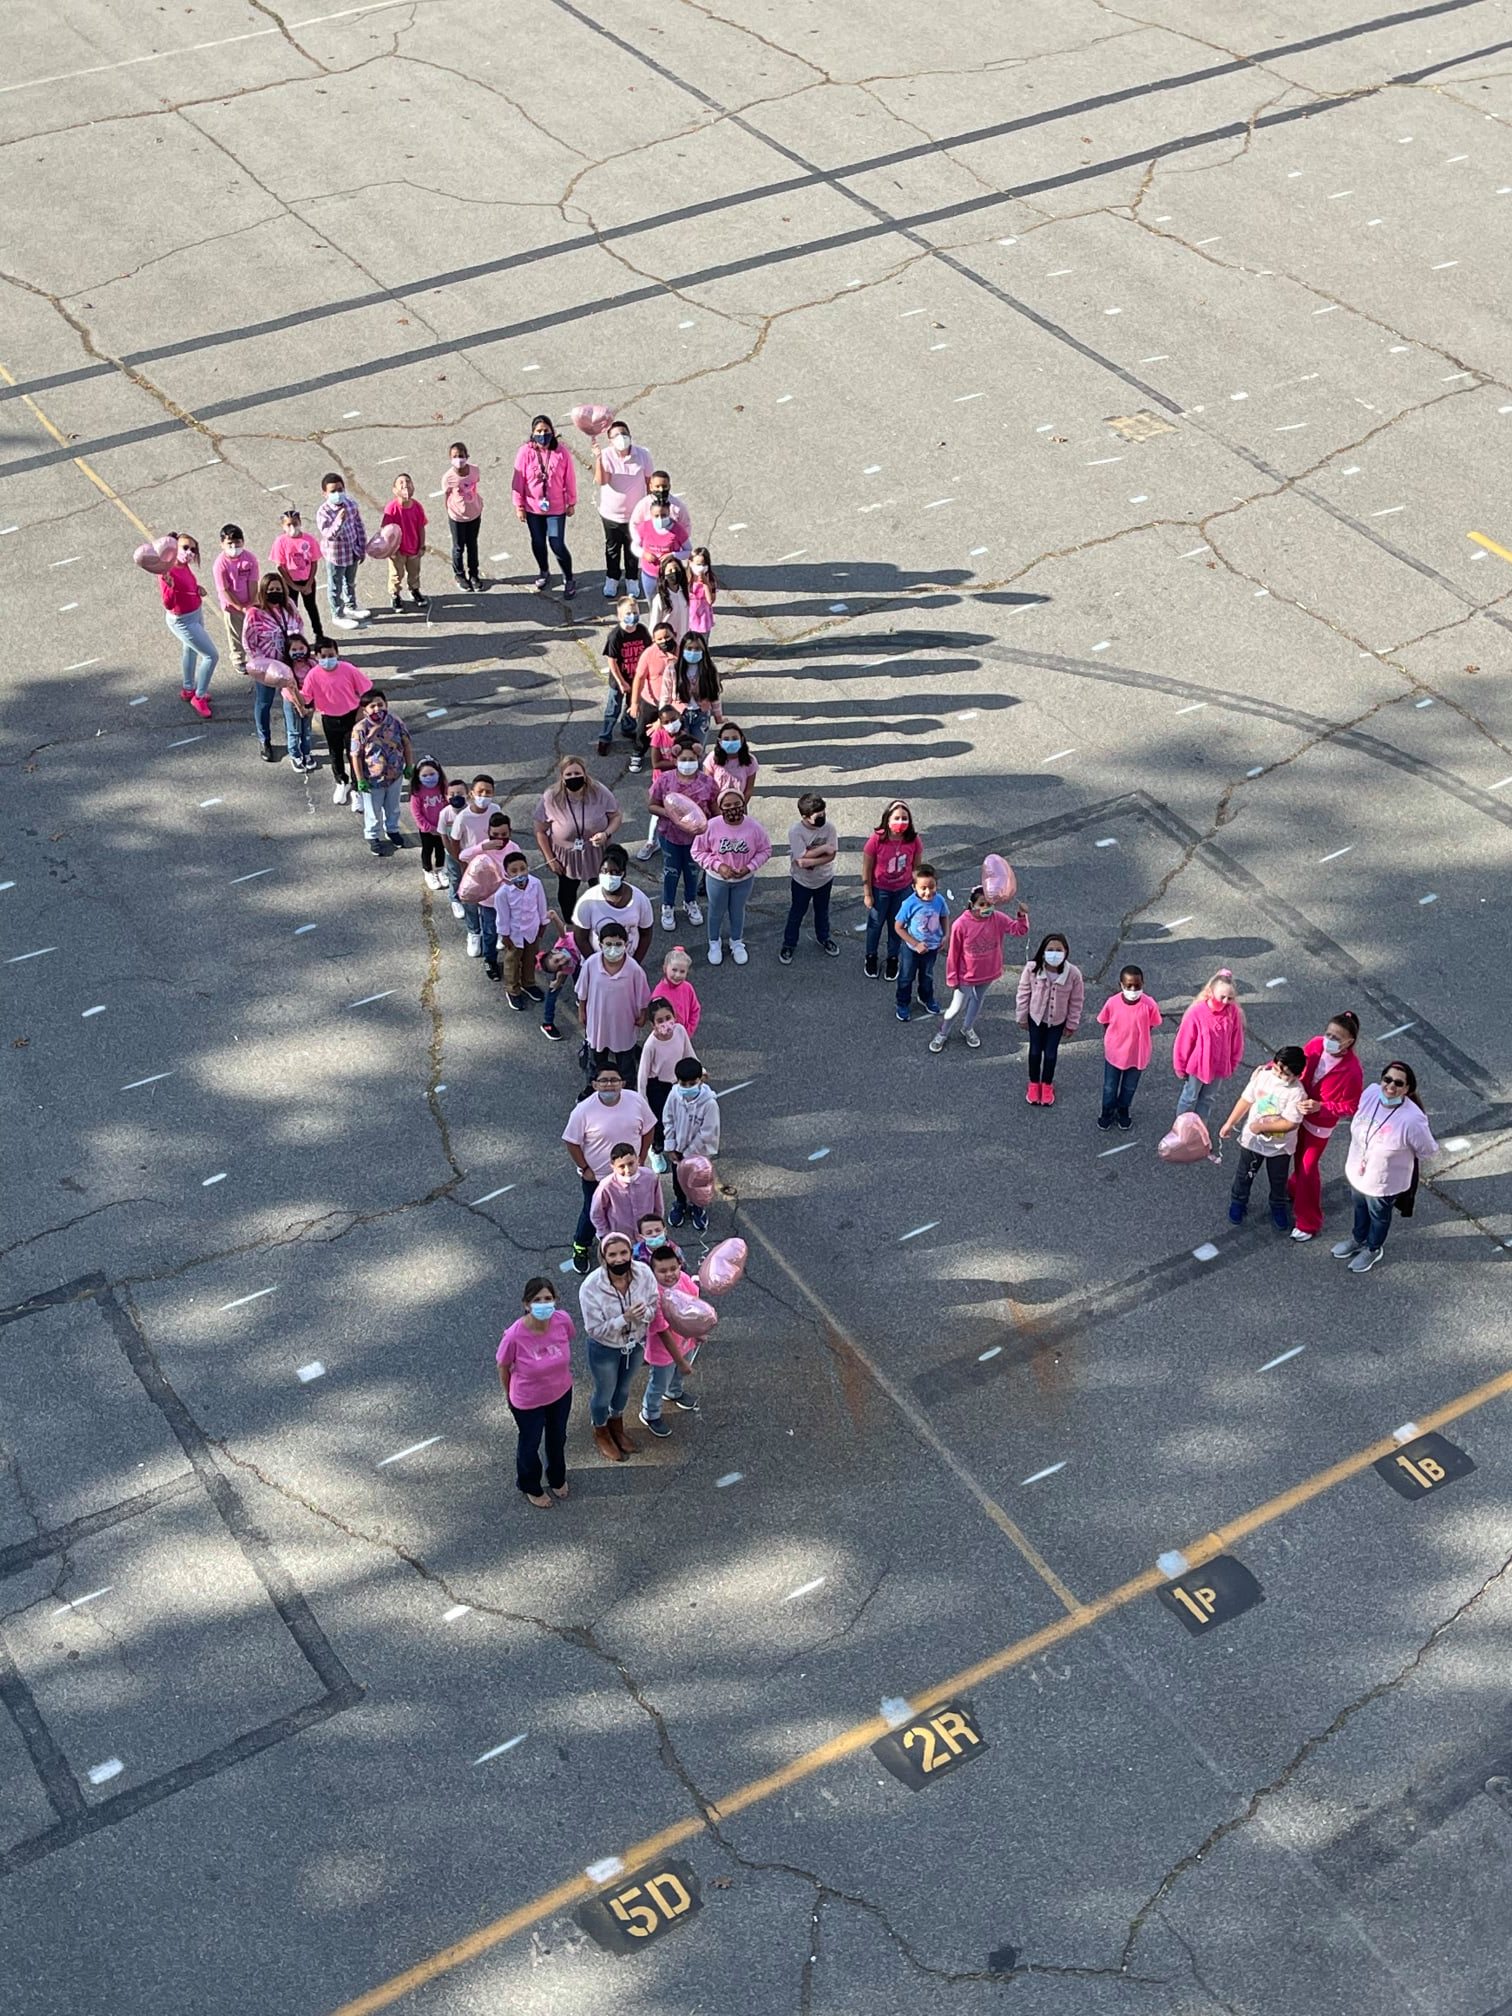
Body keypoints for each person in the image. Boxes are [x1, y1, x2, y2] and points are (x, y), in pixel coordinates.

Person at [1334, 1061, 1438, 1273]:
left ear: (1407, 1089)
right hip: (1357, 1172)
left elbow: (1427, 1150)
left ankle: (1373, 1248)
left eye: (1398, 1083)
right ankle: (1358, 1238)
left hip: (1383, 1182)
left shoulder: (1412, 1119)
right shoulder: (1371, 1093)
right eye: (1387, 1079)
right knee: (1359, 1207)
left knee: (1379, 1216)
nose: (1391, 1086)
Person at [563, 1064, 655, 1273]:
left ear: (622, 1083)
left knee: (630, 1211)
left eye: (614, 1080)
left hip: (630, 1173)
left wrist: (640, 1159)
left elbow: (648, 1129)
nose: (609, 1085)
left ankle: (632, 1247)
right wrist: (585, 1168)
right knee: (592, 1212)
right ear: (594, 1084)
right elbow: (571, 1142)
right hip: (598, 1177)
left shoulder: (636, 1101)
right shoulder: (583, 1111)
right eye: (603, 1081)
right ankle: (581, 1245)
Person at [579, 1234, 659, 1461]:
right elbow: (594, 1329)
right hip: (605, 1349)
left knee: (623, 1389)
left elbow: (654, 1303)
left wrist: (645, 1315)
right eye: (612, 1254)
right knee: (604, 1392)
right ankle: (601, 1431)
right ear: (603, 1257)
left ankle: (617, 1426)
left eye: (623, 1253)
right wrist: (624, 1318)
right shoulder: (591, 1287)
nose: (618, 1259)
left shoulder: (643, 1273)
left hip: (635, 1345)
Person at [496, 1279, 574, 1508]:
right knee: (530, 1444)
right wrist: (509, 1395)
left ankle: (557, 1476)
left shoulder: (563, 1321)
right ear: (526, 1304)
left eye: (547, 1299)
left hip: (560, 1392)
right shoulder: (514, 1335)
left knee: (557, 1438)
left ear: (555, 1300)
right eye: (537, 1300)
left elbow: (567, 1341)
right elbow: (503, 1365)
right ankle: (530, 1484)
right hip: (528, 1401)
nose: (543, 1304)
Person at [1288, 1012, 1364, 1243]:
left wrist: (1321, 1107)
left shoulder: (1352, 1071)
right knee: (1296, 1159)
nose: (1328, 1039)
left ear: (1349, 1042)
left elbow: (1351, 1106)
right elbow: (1296, 1064)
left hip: (1317, 1127)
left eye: (1335, 1037)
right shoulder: (1314, 1044)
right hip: (1295, 1113)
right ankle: (1295, 1187)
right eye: (1328, 1033)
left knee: (1308, 1168)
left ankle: (1309, 1221)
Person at [929, 887, 1030, 1053]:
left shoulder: (997, 918)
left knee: (978, 1000)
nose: (986, 908)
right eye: (982, 904)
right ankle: (943, 1033)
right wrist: (952, 977)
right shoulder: (961, 924)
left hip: (988, 972)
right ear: (972, 904)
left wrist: (1021, 916)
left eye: (989, 904)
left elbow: (1018, 930)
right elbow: (953, 953)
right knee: (956, 1006)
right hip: (966, 976)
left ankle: (967, 1028)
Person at [1220, 1045, 1309, 1230]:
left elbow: (1290, 1123)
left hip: (1280, 1148)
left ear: (1297, 1075)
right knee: (1245, 1174)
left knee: (1278, 1179)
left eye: (1285, 1074)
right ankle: (1238, 1201)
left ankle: (1278, 1206)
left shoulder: (1296, 1093)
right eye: (1277, 1068)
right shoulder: (1263, 1077)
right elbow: (1246, 1100)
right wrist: (1230, 1123)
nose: (1278, 1075)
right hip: (1253, 1142)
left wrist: (1262, 1127)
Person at [535, 756, 622, 919]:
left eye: (577, 773)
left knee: (602, 891)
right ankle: (570, 922)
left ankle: (602, 919)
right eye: (568, 774)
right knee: (567, 892)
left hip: (597, 852)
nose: (573, 777)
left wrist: (606, 833)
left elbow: (616, 816)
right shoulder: (550, 797)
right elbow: (540, 831)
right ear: (562, 777)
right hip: (566, 858)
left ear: (584, 774)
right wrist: (551, 860)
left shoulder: (599, 792)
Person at [692, 790, 771, 966]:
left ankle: (736, 942)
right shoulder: (711, 826)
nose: (733, 809)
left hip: (744, 880)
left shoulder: (754, 827)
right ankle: (714, 942)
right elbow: (697, 851)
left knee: (737, 911)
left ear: (743, 804)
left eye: (737, 804)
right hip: (717, 879)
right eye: (727, 806)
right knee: (716, 911)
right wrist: (718, 866)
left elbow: (765, 850)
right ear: (720, 808)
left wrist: (750, 867)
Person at [648, 736, 717, 930]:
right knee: (671, 871)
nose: (688, 763)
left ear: (698, 757)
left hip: (696, 839)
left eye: (691, 759)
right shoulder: (664, 780)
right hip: (670, 836)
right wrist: (670, 815)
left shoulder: (707, 783)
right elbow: (652, 806)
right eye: (683, 759)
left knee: (692, 872)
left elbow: (714, 809)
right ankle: (668, 906)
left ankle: (690, 901)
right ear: (676, 759)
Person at [242, 570, 308, 761]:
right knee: (264, 703)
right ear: (264, 591)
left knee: (293, 701)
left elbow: (299, 627)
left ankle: (295, 739)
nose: (275, 592)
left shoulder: (289, 605)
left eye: (278, 588)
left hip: (290, 663)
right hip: (268, 668)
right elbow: (249, 641)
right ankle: (264, 739)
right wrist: (262, 664)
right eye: (271, 589)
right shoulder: (254, 614)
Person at [300, 637, 373, 804]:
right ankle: (341, 781)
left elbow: (366, 691)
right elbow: (306, 697)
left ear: (337, 653)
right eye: (323, 656)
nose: (327, 659)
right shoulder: (313, 675)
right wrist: (290, 690)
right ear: (317, 656)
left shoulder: (348, 669)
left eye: (331, 655)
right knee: (335, 753)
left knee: (354, 752)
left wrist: (362, 711)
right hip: (329, 719)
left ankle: (356, 788)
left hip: (351, 717)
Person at [639, 1246, 702, 1437]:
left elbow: (694, 1303)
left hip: (686, 1341)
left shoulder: (683, 1279)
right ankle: (650, 1413)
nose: (670, 1274)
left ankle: (674, 1392)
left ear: (679, 1265)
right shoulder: (654, 1296)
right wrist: (681, 1362)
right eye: (663, 1271)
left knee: (678, 1374)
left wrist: (698, 1330)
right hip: (664, 1352)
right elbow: (663, 1332)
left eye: (673, 1268)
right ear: (653, 1272)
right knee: (658, 1382)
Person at [1171, 969, 1247, 1129]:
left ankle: (1200, 1127)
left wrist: (1233, 1062)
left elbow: (1236, 1040)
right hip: (1198, 1066)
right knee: (1190, 1096)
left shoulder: (1233, 1013)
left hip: (1218, 1065)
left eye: (1230, 998)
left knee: (1208, 1098)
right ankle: (1180, 1127)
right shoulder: (1196, 1013)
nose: (1226, 1001)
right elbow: (1184, 1042)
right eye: (1222, 997)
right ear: (1211, 992)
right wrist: (1180, 1066)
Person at [1015, 932, 1085, 1105]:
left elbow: (1076, 1001)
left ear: (1066, 952)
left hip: (1057, 1022)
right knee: (1034, 1052)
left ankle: (1047, 1084)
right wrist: (1022, 1017)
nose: (1054, 954)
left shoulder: (1073, 974)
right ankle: (1033, 1083)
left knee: (1051, 1055)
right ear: (1043, 951)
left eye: (1058, 950)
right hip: (1036, 1019)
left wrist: (1072, 1023)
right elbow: (1023, 994)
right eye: (1050, 949)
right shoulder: (1032, 969)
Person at [576, 921, 651, 1080]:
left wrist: (643, 1014)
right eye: (608, 944)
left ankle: (628, 1089)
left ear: (626, 944)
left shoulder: (634, 969)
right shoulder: (591, 964)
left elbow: (643, 996)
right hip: (598, 1024)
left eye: (618, 944)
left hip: (623, 1025)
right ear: (600, 943)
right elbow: (583, 991)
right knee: (597, 1060)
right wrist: (582, 1010)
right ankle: (595, 1087)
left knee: (625, 1063)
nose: (613, 948)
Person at [511, 415, 577, 594]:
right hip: (533, 508)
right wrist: (519, 506)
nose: (542, 434)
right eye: (538, 431)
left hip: (556, 507)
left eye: (546, 431)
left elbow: (569, 478)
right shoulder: (525, 452)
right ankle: (544, 571)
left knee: (556, 543)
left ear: (552, 432)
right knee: (538, 542)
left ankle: (569, 577)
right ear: (533, 433)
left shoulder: (561, 452)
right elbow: (518, 481)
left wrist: (571, 501)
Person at [861, 800, 922, 980]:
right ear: (887, 819)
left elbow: (917, 867)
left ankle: (893, 957)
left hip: (902, 890)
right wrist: (867, 893)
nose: (901, 822)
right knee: (875, 924)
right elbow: (866, 868)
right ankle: (870, 956)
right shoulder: (876, 839)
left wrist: (917, 892)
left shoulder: (913, 840)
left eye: (905, 818)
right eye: (897, 818)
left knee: (897, 926)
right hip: (880, 890)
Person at [159, 534, 218, 717]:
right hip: (183, 620)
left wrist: (197, 589)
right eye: (185, 547)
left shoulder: (183, 566)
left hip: (194, 613)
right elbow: (168, 604)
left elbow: (187, 585)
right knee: (211, 656)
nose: (189, 552)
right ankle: (198, 697)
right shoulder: (167, 572)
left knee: (190, 650)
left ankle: (188, 689)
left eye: (193, 549)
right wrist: (169, 586)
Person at [1096, 965, 1163, 1129]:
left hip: (1137, 1055)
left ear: (1143, 984)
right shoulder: (1112, 1003)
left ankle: (1123, 1110)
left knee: (1129, 1086)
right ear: (1121, 985)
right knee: (1110, 1086)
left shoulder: (1149, 1004)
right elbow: (1104, 1021)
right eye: (1129, 986)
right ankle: (1107, 1112)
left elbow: (1152, 1023)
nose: (1133, 989)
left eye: (1137, 986)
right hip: (1114, 1054)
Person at [347, 688, 412, 857]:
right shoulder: (360, 729)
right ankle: (373, 835)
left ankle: (392, 830)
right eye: (372, 706)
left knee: (393, 807)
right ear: (365, 710)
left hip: (394, 775)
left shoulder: (395, 721)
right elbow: (355, 755)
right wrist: (360, 779)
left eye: (380, 705)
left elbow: (406, 743)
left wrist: (409, 765)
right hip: (372, 779)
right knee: (373, 810)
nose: (377, 709)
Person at [594, 420, 653, 598]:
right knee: (612, 548)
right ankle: (612, 578)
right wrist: (598, 459)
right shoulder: (606, 455)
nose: (621, 438)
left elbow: (649, 481)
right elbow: (602, 481)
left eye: (624, 433)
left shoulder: (642, 455)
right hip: (611, 515)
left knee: (632, 548)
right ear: (610, 440)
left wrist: (651, 506)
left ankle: (632, 580)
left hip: (636, 515)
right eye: (616, 435)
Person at [780, 792, 840, 964]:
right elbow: (801, 858)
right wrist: (823, 849)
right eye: (818, 815)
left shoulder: (829, 828)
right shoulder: (796, 831)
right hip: (802, 882)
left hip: (824, 879)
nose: (822, 817)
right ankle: (789, 944)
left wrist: (810, 860)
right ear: (805, 817)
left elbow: (831, 855)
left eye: (823, 813)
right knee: (796, 913)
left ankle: (824, 938)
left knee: (822, 912)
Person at [571, 845, 654, 965]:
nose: (609, 876)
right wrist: (597, 966)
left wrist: (633, 964)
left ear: (623, 873)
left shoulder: (640, 900)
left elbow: (646, 934)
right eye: (604, 871)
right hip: (595, 964)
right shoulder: (588, 901)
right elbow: (580, 938)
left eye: (614, 872)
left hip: (628, 963)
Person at [638, 998, 696, 1165]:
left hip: (677, 1083)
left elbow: (688, 1053)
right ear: (653, 1024)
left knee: (680, 1117)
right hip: (658, 1087)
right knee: (661, 1121)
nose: (666, 1023)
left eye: (668, 1018)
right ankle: (656, 1148)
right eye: (660, 1021)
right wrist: (643, 1100)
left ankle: (679, 1145)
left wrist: (700, 1071)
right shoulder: (651, 1045)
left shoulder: (680, 1031)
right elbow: (642, 1075)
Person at [664, 1055, 719, 1232]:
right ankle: (680, 1203)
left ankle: (698, 1206)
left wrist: (689, 1154)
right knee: (678, 1182)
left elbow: (707, 1132)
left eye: (691, 1083)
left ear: (700, 1080)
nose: (687, 1088)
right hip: (677, 1153)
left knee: (697, 1183)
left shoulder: (709, 1103)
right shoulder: (674, 1095)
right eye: (683, 1084)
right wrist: (670, 1145)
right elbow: (668, 1119)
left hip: (698, 1155)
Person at [494, 850, 552, 1010]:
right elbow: (503, 917)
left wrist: (543, 924)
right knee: (512, 962)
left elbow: (541, 906)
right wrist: (505, 936)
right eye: (514, 871)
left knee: (530, 959)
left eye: (523, 869)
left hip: (532, 931)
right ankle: (512, 990)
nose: (520, 873)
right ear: (506, 873)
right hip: (514, 935)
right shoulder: (503, 893)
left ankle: (529, 983)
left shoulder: (536, 884)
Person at [459, 810, 514, 973]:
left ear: (510, 832)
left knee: (509, 930)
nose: (499, 839)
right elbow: (463, 855)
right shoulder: (483, 848)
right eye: (495, 834)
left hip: (509, 899)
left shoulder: (513, 847)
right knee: (489, 932)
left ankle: (512, 960)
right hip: (488, 901)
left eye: (504, 834)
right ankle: (490, 960)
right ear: (488, 832)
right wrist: (482, 847)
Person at [894, 862, 949, 1022]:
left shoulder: (939, 900)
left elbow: (944, 915)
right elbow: (898, 927)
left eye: (931, 887)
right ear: (914, 887)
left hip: (932, 948)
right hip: (912, 949)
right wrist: (915, 943)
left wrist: (946, 935)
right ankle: (902, 1003)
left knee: (927, 976)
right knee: (906, 977)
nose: (928, 892)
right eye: (923, 888)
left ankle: (925, 997)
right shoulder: (909, 904)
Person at [315, 471, 369, 631]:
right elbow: (328, 534)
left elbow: (358, 526)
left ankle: (350, 606)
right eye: (333, 491)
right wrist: (339, 520)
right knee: (335, 586)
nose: (337, 494)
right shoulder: (323, 512)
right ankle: (337, 614)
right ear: (324, 493)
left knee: (350, 581)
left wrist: (361, 546)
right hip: (336, 556)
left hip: (352, 551)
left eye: (340, 489)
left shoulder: (351, 504)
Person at [599, 597, 651, 754]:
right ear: (619, 615)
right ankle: (605, 737)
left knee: (632, 706)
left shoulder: (641, 630)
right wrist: (621, 682)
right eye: (628, 613)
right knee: (613, 709)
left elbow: (648, 653)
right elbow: (612, 662)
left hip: (636, 681)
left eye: (635, 612)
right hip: (620, 682)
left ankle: (628, 728)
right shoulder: (616, 636)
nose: (632, 615)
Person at [268, 506, 327, 645]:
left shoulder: (309, 540)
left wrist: (308, 583)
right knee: (290, 609)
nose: (292, 527)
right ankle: (292, 635)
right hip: (290, 582)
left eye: (295, 523)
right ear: (283, 526)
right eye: (289, 524)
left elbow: (313, 562)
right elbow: (280, 566)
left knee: (311, 607)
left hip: (307, 581)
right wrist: (292, 585)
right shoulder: (280, 542)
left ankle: (319, 634)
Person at [629, 472, 692, 600]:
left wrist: (676, 545)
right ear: (651, 486)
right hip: (650, 569)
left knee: (673, 600)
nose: (661, 490)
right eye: (657, 486)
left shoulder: (678, 507)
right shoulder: (643, 505)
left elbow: (685, 527)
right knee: (652, 601)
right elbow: (635, 525)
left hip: (671, 569)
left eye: (664, 486)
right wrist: (643, 550)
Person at [627, 620, 679, 773]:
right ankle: (638, 752)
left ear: (674, 635)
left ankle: (674, 755)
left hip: (673, 702)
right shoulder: (649, 654)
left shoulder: (683, 651)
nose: (664, 641)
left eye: (667, 637)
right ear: (654, 640)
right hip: (651, 701)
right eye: (660, 639)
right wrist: (635, 703)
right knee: (644, 730)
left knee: (673, 729)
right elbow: (639, 678)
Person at [590, 1142, 665, 1242]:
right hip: (621, 1238)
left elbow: (658, 1205)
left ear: (637, 1160)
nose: (628, 1170)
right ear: (613, 1167)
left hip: (647, 1236)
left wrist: (657, 1226)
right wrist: (605, 1234)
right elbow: (596, 1213)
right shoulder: (606, 1186)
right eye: (621, 1166)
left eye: (631, 1164)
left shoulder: (650, 1177)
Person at [213, 525, 260, 674]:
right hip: (231, 605)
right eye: (229, 544)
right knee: (235, 633)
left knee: (254, 629)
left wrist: (252, 603)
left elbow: (253, 582)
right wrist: (239, 607)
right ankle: (238, 658)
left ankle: (257, 653)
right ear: (222, 544)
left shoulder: (250, 559)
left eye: (237, 543)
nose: (234, 547)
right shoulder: (220, 564)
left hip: (250, 602)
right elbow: (224, 589)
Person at [380, 474, 429, 611]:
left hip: (413, 548)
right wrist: (391, 550)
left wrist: (421, 546)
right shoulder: (392, 509)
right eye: (400, 482)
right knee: (396, 574)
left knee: (414, 572)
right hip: (398, 551)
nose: (405, 485)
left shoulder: (417, 507)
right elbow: (386, 531)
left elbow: (421, 527)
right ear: (394, 490)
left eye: (408, 481)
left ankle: (414, 590)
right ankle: (395, 595)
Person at [441, 441, 483, 590]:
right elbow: (446, 495)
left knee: (472, 545)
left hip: (474, 513)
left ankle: (474, 575)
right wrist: (452, 510)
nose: (459, 459)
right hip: (457, 517)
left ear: (467, 456)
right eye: (455, 456)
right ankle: (459, 574)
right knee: (459, 547)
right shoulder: (448, 478)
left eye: (461, 456)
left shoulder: (474, 471)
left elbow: (475, 483)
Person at [409, 757, 450, 889]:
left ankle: (440, 868)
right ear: (418, 776)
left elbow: (449, 805)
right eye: (425, 775)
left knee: (441, 849)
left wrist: (445, 825)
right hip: (426, 829)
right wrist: (429, 828)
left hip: (442, 827)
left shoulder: (443, 787)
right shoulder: (417, 792)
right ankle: (427, 870)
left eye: (432, 774)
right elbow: (416, 813)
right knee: (427, 850)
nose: (429, 777)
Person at [651, 945, 701, 1040]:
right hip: (665, 1037)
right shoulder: (659, 994)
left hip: (684, 1035)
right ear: (665, 968)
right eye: (674, 970)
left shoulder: (688, 987)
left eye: (682, 971)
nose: (677, 975)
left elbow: (695, 1010)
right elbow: (655, 1020)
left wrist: (688, 1031)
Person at [539, 933, 581, 1045]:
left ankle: (580, 998)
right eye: (557, 963)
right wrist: (559, 979)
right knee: (554, 990)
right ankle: (547, 1023)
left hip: (577, 960)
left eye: (558, 961)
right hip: (572, 963)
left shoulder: (565, 943)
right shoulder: (562, 962)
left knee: (580, 981)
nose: (561, 962)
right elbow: (560, 926)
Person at [704, 722, 759, 806]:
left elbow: (749, 790)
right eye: (726, 739)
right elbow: (708, 786)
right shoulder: (712, 758)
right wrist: (716, 808)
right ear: (720, 741)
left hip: (738, 805)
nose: (730, 742)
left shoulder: (750, 761)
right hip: (715, 806)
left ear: (742, 739)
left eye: (734, 738)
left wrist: (740, 806)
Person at [648, 556, 690, 639]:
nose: (674, 572)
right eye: (670, 571)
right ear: (664, 576)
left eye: (676, 569)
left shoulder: (684, 593)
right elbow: (654, 624)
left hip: (683, 639)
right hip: (668, 641)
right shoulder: (659, 599)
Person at [687, 547, 718, 637]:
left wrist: (706, 583)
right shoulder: (686, 578)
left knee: (702, 643)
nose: (700, 568)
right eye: (698, 564)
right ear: (690, 563)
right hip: (688, 618)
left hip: (703, 620)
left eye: (704, 564)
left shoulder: (711, 580)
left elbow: (710, 601)